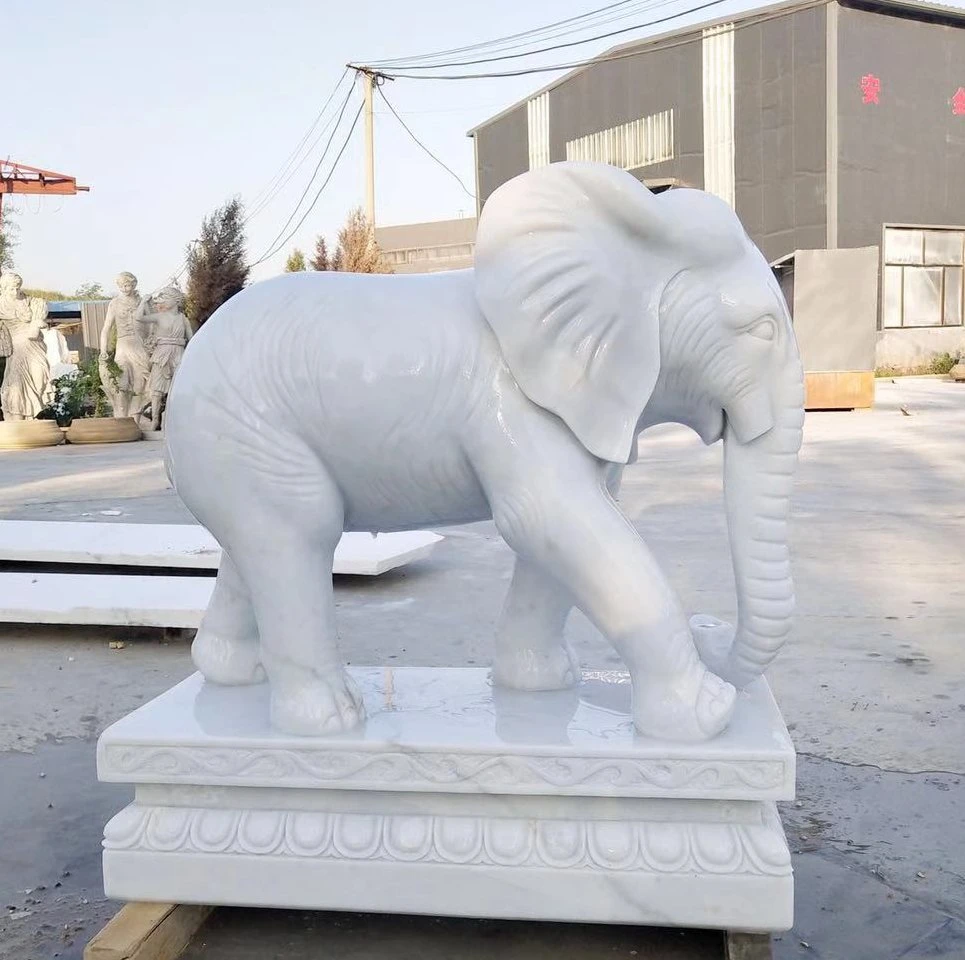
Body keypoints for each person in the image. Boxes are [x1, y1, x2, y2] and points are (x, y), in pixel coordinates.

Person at [138, 286, 193, 430]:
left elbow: (191, 339)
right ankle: (155, 419)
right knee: (157, 390)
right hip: (162, 354)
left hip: (178, 354)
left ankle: (172, 419)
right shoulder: (159, 317)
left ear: (175, 301)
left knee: (177, 389)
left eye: (165, 299)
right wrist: (143, 302)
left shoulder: (183, 319)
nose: (161, 303)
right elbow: (139, 318)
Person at [0, 273, 51, 420]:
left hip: (35, 346)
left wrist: (37, 322)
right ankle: (17, 415)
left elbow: (41, 312)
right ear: (3, 288)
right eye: (11, 289)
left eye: (17, 288)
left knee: (40, 377)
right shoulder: (1, 305)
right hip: (17, 348)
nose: (15, 292)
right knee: (16, 383)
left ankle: (30, 415)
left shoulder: (31, 301)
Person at [100, 271, 150, 418]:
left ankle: (136, 418)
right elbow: (106, 328)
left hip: (139, 346)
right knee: (122, 382)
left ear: (134, 284)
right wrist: (103, 350)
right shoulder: (114, 303)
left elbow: (152, 324)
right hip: (122, 346)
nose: (124, 288)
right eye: (121, 286)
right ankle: (121, 416)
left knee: (139, 384)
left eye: (127, 285)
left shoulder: (142, 302)